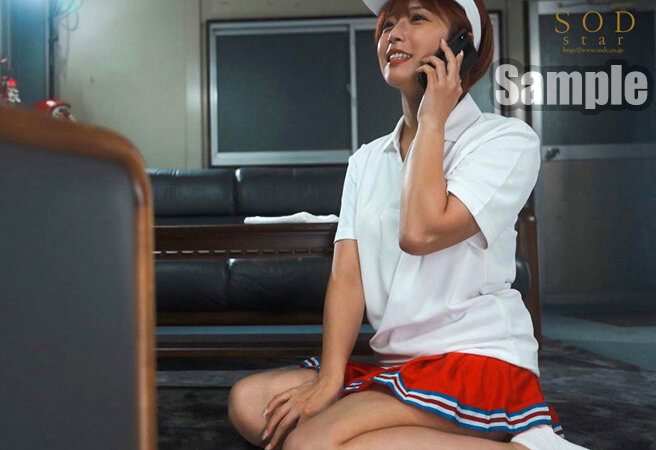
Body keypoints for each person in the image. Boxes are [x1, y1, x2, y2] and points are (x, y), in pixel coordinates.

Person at [228, 1, 591, 449]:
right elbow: (347, 277)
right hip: (398, 367)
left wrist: (432, 119)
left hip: (474, 359)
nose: (393, 34)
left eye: (416, 18)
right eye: (387, 24)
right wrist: (330, 378)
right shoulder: (366, 160)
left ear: (460, 47)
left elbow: (420, 232)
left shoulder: (505, 140)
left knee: (311, 443)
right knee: (250, 401)